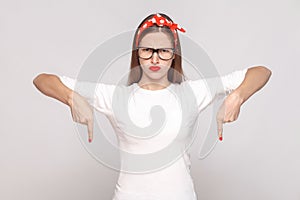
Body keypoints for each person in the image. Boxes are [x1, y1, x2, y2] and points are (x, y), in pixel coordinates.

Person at [33, 13, 271, 200]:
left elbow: (261, 71)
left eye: (163, 51)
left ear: (173, 54)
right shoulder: (115, 96)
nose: (155, 59)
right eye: (148, 50)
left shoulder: (192, 93)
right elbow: (43, 79)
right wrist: (72, 99)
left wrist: (237, 96)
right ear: (137, 53)